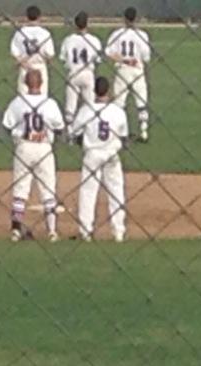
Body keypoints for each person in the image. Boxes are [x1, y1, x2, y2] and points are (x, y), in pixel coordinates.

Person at [1, 68, 66, 242]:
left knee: (20, 190)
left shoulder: (18, 102)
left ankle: (16, 230)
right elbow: (60, 128)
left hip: (24, 147)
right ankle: (52, 231)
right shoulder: (50, 103)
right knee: (48, 190)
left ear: (25, 83)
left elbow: (6, 126)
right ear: (42, 83)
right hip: (44, 148)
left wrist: (19, 134)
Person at [71, 76, 129, 242]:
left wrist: (85, 143)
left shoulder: (86, 110)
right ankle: (118, 232)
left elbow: (75, 134)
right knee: (116, 191)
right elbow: (124, 137)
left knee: (88, 191)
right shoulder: (118, 111)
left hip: (92, 155)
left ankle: (86, 231)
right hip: (111, 154)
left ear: (94, 91)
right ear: (108, 91)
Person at [106, 7, 152, 142]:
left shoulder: (117, 34)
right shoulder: (142, 35)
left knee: (119, 103)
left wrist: (123, 60)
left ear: (124, 19)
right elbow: (146, 57)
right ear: (136, 18)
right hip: (137, 70)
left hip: (123, 69)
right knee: (141, 102)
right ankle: (144, 132)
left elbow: (108, 52)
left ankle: (119, 133)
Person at [60, 11, 102, 120]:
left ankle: (70, 127)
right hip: (87, 73)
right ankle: (89, 125)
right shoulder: (94, 40)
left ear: (75, 24)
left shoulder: (68, 40)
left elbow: (62, 58)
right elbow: (97, 60)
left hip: (73, 72)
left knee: (70, 105)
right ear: (87, 23)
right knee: (90, 105)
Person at [10, 5, 55, 95]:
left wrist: (21, 62)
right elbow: (50, 54)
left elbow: (15, 53)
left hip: (25, 68)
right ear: (39, 17)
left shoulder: (20, 33)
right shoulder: (45, 33)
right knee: (41, 98)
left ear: (26, 17)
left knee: (24, 99)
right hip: (40, 67)